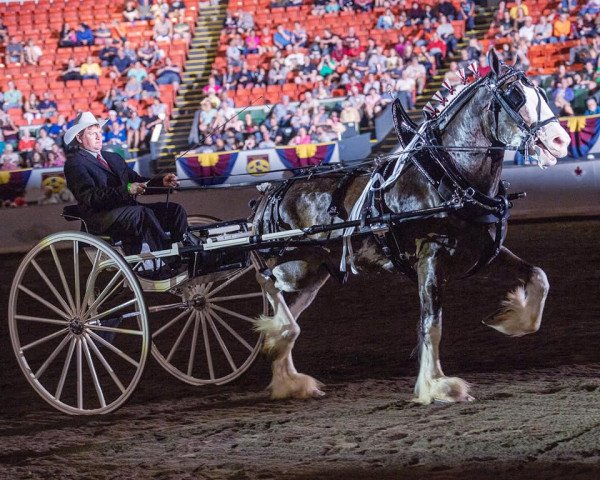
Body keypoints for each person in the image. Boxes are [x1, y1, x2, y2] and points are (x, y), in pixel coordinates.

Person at [63, 112, 188, 275]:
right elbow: (89, 197)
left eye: (99, 132)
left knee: (174, 210)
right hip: (103, 218)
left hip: (130, 211)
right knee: (141, 214)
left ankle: (184, 252)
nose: (99, 137)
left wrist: (161, 181)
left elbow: (136, 180)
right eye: (92, 133)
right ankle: (173, 262)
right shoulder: (75, 163)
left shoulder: (113, 157)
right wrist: (127, 189)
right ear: (79, 138)